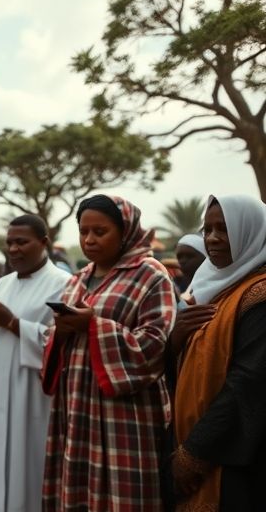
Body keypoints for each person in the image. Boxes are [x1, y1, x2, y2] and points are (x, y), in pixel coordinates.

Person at [40, 195, 176, 510]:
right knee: (80, 488)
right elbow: (54, 334)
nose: (89, 240)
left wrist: (94, 325)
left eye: (100, 232)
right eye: (83, 232)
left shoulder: (151, 275)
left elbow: (156, 342)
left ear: (125, 231)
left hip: (126, 414)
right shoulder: (78, 280)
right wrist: (59, 332)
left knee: (124, 494)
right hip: (78, 407)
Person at [0, 215, 71, 512]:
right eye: (10, 242)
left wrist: (11, 323)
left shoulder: (63, 285)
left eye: (22, 242)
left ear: (44, 243)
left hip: (33, 397)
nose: (13, 249)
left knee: (28, 468)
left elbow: (61, 342)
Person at [170, 195, 266, 511]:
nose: (212, 239)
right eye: (207, 229)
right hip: (197, 440)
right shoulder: (209, 288)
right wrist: (176, 337)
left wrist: (195, 452)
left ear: (251, 232)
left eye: (224, 229)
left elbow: (248, 382)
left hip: (238, 456)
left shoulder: (259, 294)